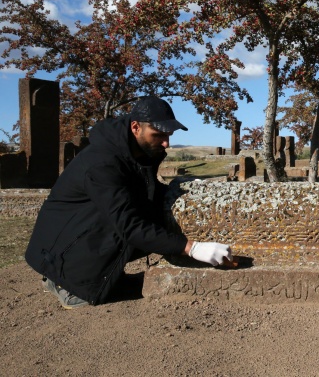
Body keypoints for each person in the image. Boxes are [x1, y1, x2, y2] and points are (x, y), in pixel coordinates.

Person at [25, 96, 232, 309]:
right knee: (131, 226)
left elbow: (147, 193)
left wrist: (185, 192)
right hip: (64, 250)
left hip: (87, 231)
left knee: (153, 218)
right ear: (135, 127)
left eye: (169, 135)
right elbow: (129, 225)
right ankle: (66, 283)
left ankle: (100, 273)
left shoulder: (138, 153)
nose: (166, 143)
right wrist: (191, 248)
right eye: (158, 135)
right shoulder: (102, 163)